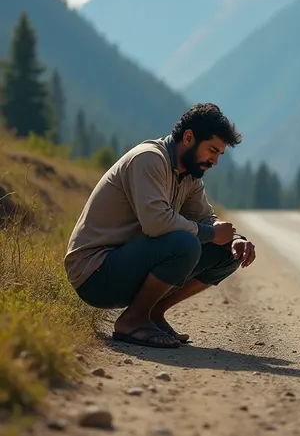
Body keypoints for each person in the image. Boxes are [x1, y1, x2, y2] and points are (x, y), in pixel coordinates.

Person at [64, 103, 256, 349]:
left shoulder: (191, 176)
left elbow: (206, 218)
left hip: (127, 264)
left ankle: (152, 314)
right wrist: (209, 233)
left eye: (219, 154)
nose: (215, 161)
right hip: (96, 274)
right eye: (212, 150)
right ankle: (133, 320)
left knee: (227, 253)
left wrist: (234, 239)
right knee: (185, 243)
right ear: (189, 138)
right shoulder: (148, 159)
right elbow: (157, 224)